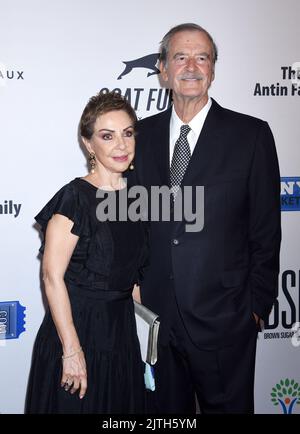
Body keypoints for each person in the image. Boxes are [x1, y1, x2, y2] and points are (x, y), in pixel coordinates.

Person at [132, 23, 281, 413]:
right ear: (163, 69)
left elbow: (266, 230)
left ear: (213, 70)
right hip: (156, 322)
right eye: (180, 57)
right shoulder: (139, 137)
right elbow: (131, 223)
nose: (192, 66)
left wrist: (255, 307)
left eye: (203, 57)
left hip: (226, 319)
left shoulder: (251, 135)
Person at [25, 91, 146, 413]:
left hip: (121, 334)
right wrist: (72, 351)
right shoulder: (74, 197)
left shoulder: (140, 196)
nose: (121, 145)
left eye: (128, 133)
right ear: (89, 144)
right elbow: (52, 276)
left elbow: (133, 277)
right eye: (108, 136)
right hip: (78, 331)